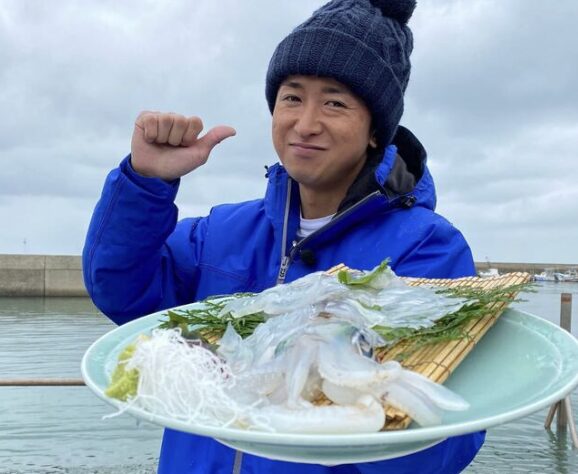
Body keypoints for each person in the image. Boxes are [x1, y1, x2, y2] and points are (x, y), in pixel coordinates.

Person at [83, 0, 485, 472]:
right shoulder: (221, 232)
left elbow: (443, 437)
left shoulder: (428, 249)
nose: (306, 124)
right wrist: (145, 182)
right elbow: (123, 293)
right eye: (292, 98)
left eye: (335, 102)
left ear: (376, 130)